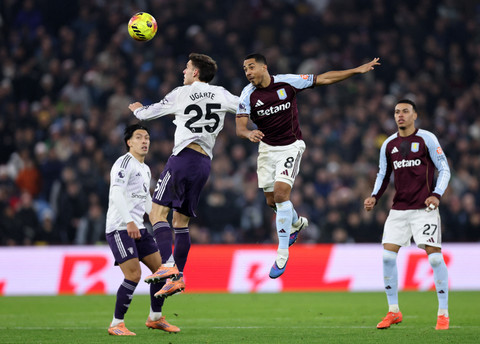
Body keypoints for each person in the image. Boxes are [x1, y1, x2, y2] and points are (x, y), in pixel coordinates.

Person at [236, 53, 380, 278]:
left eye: (251, 67)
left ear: (265, 67)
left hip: (291, 146)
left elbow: (323, 79)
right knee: (271, 200)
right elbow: (240, 128)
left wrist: (355, 70)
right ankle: (296, 222)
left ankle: (282, 254)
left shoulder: (287, 82)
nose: (248, 73)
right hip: (266, 150)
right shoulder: (247, 95)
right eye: (245, 69)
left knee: (282, 195)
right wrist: (248, 133)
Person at [128, 53, 239, 297]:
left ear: (196, 72)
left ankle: (168, 267)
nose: (183, 72)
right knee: (181, 222)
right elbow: (246, 107)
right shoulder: (221, 93)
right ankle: (177, 278)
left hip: (182, 159)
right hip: (203, 164)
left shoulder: (181, 93)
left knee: (157, 213)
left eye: (187, 68)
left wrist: (138, 110)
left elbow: (149, 114)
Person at [364, 99, 451, 330]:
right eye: (396, 112)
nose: (400, 115)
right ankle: (393, 311)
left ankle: (443, 313)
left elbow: (444, 169)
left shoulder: (427, 139)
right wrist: (374, 196)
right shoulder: (388, 144)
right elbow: (383, 174)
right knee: (387, 257)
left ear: (415, 115)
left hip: (425, 209)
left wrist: (436, 194)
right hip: (399, 209)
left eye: (405, 111)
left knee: (433, 258)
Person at [105, 124, 180, 336]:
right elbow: (116, 193)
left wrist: (160, 219)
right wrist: (128, 221)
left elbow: (146, 201)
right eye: (139, 137)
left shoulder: (145, 169)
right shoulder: (124, 163)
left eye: (147, 137)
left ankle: (155, 318)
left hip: (138, 228)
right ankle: (116, 324)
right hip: (120, 228)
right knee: (133, 275)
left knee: (161, 271)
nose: (144, 141)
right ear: (129, 142)